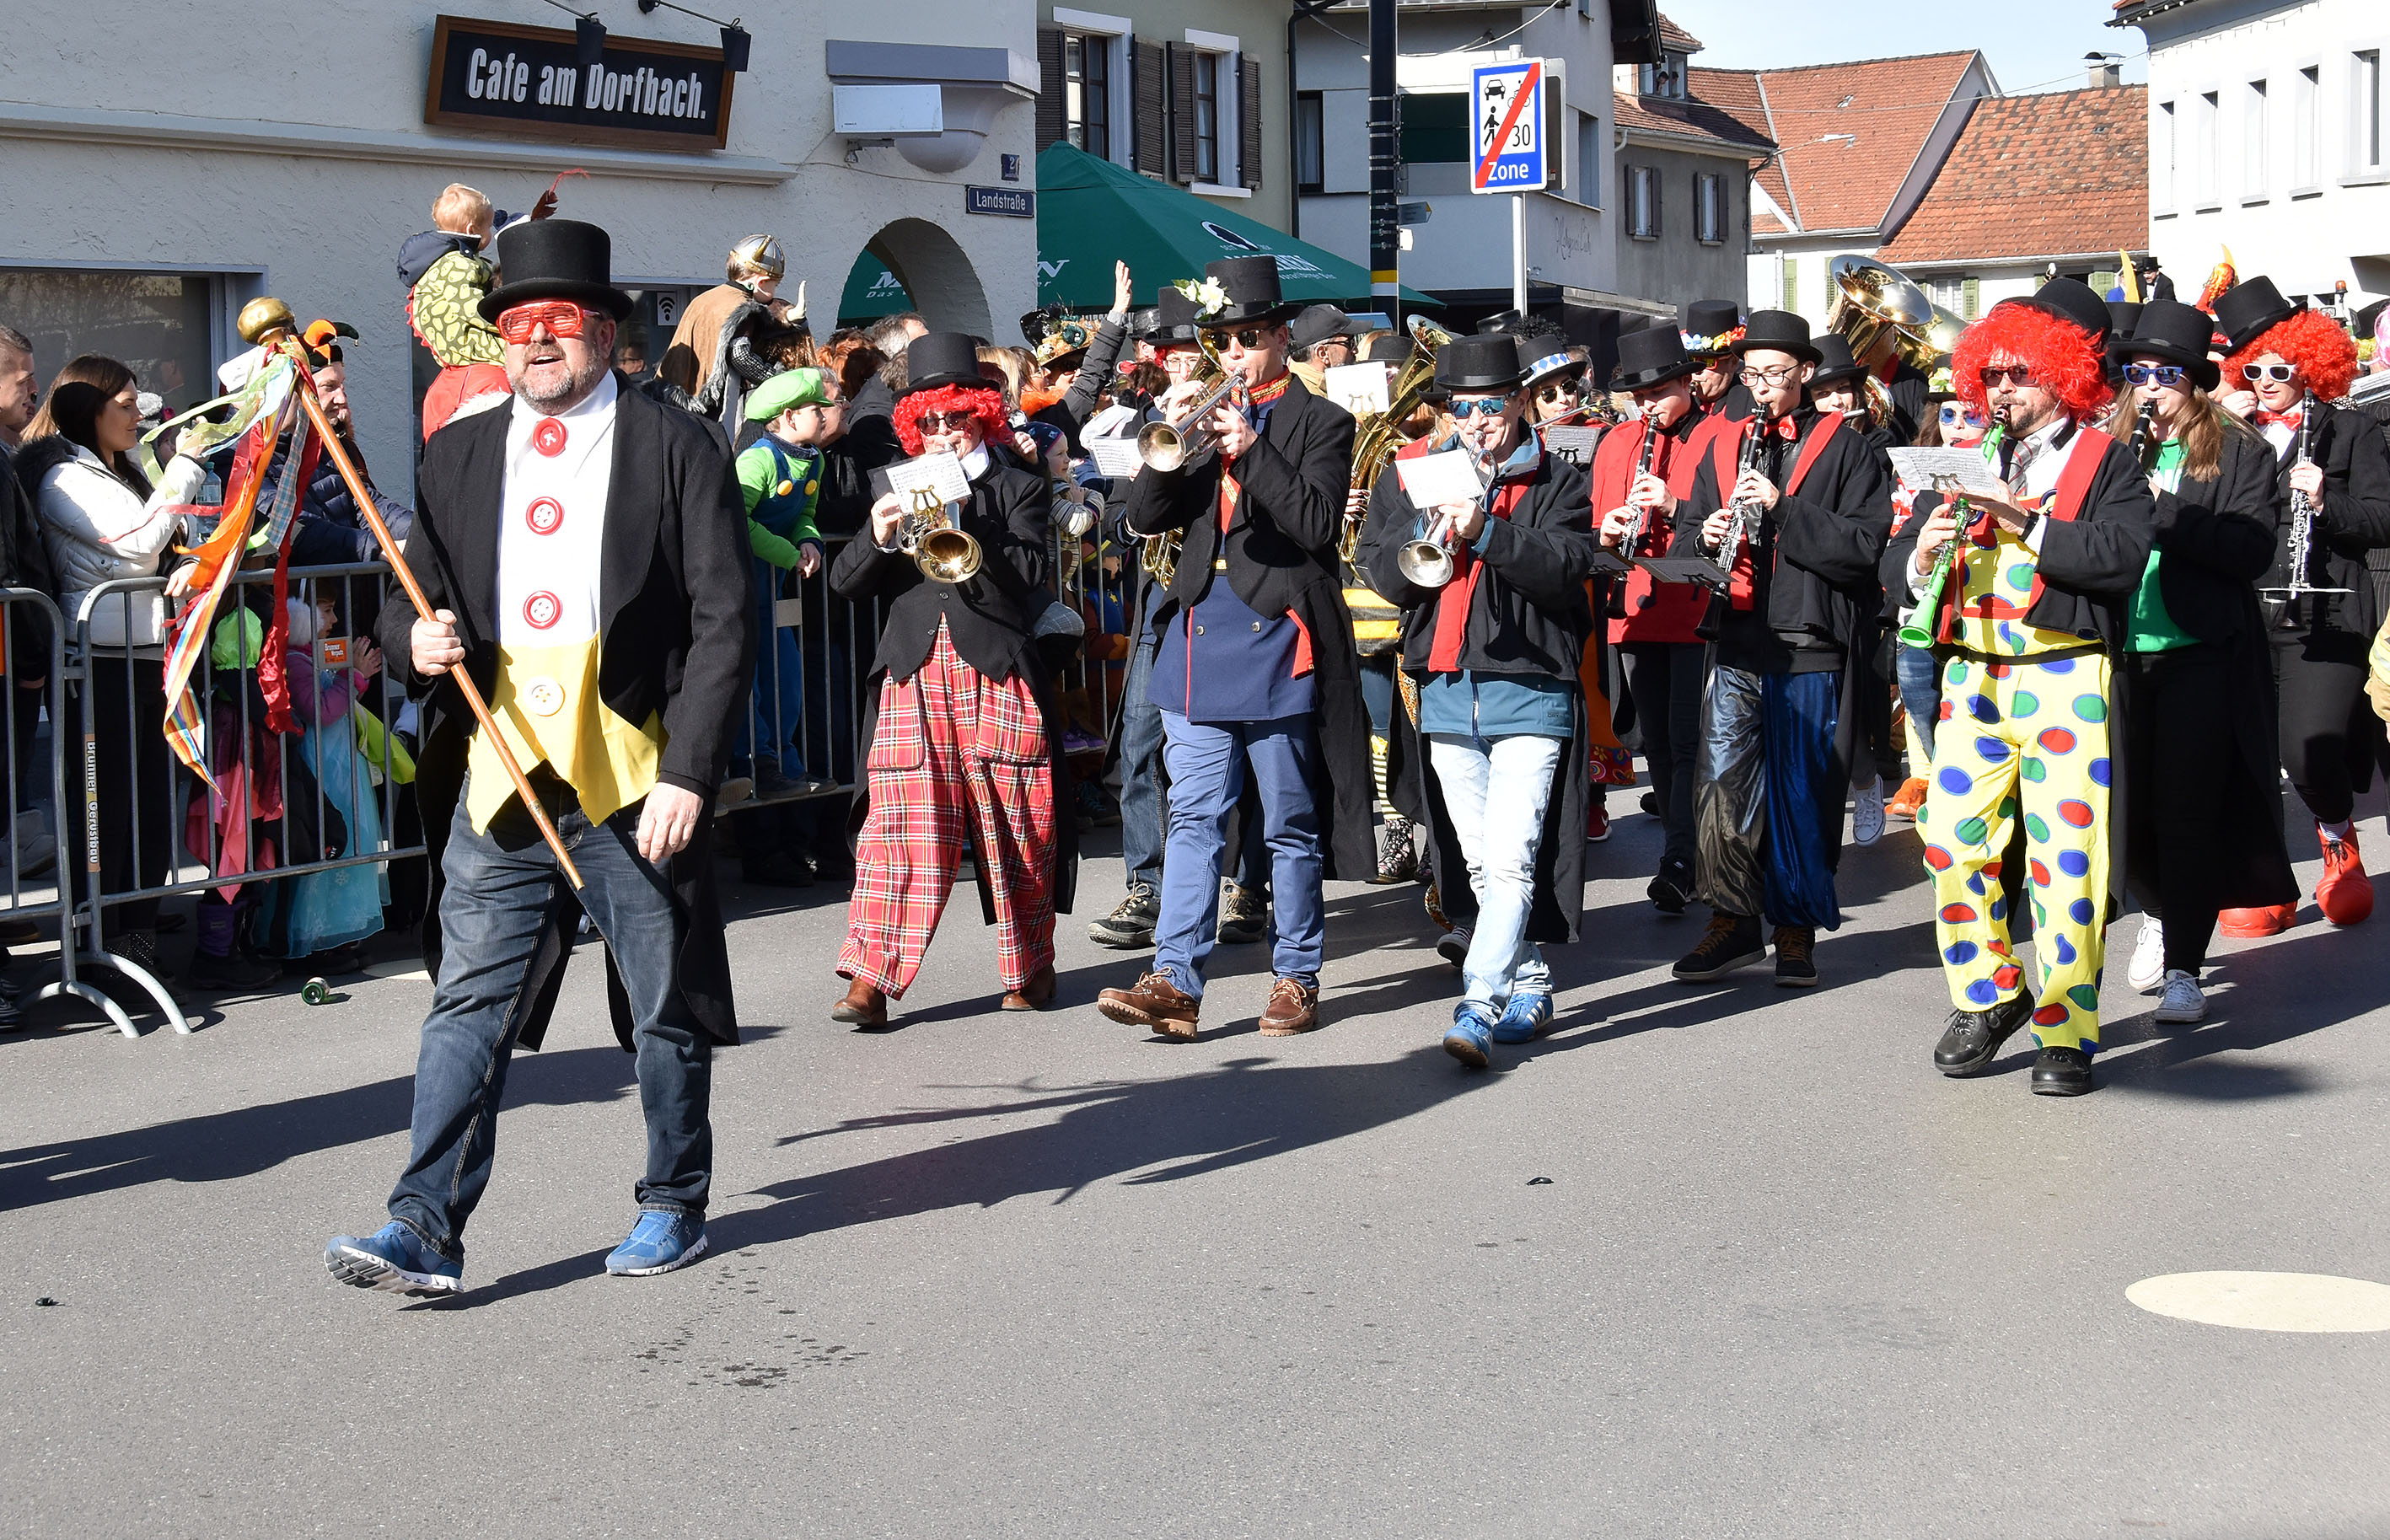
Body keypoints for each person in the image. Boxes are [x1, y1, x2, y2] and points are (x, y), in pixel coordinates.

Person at [325, 218, 754, 1294]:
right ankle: (423, 1225)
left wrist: (691, 772)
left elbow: (723, 620)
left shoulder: (677, 444)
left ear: (604, 330)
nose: (538, 341)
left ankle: (673, 1202)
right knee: (467, 1003)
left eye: (560, 320)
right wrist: (413, 643)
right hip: (503, 772)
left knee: (661, 1003)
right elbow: (408, 598)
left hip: (633, 770)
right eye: (518, 325)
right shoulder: (460, 452)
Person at [1094, 256, 1372, 1039]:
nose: (1235, 354)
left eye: (1249, 338)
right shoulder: (1198, 415)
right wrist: (1168, 441)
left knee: (1287, 821)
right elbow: (1144, 519)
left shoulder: (1322, 421)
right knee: (1191, 817)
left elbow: (1315, 525)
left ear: (1281, 337)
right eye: (1224, 341)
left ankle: (1296, 974)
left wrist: (1249, 449)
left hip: (1277, 634)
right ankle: (1174, 978)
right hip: (1198, 633)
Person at [1886, 285, 2153, 1097]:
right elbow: (1892, 564)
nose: (1999, 390)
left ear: (2061, 375)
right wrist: (1921, 554)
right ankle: (1989, 993)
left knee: (2065, 863)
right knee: (1948, 841)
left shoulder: (2105, 460)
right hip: (1972, 674)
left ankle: (2066, 1029)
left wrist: (2025, 522)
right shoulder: (1965, 456)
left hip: (2064, 674)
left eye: (2017, 374)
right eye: (1989, 375)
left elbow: (2121, 557)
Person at [1361, 333, 1598, 1065]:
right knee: (1473, 863)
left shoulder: (1559, 479)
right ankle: (1529, 978)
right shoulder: (1416, 474)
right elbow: (1380, 569)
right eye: (1461, 409)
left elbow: (1565, 566)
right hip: (1443, 688)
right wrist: (1424, 528)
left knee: (1510, 861)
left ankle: (1479, 1001)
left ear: (1520, 401)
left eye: (1490, 406)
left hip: (1529, 690)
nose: (1475, 422)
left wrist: (1486, 529)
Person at [830, 331, 1072, 1026]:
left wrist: (968, 519)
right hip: (912, 667)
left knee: (1019, 820)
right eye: (929, 421)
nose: (940, 433)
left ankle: (1030, 964)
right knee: (898, 827)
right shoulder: (891, 482)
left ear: (981, 416)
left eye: (955, 418)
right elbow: (846, 583)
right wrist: (878, 535)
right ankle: (870, 978)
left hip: (994, 665)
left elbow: (1030, 574)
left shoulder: (1018, 484)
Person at [1668, 310, 1891, 990]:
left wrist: (1782, 508)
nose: (1760, 386)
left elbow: (1864, 547)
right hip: (1737, 636)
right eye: (1752, 374)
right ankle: (1732, 920)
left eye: (1774, 373)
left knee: (1802, 792)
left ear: (1805, 374)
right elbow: (1683, 538)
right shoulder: (1720, 442)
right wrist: (1704, 537)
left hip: (1808, 641)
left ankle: (1794, 926)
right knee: (1720, 786)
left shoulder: (1847, 447)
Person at [2097, 298, 2300, 1024]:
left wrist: (2163, 507)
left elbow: (2249, 550)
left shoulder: (2239, 450)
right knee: (2125, 809)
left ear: (2192, 381)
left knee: (2186, 811)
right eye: (2138, 374)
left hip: (2199, 653)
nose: (2150, 388)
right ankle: (2157, 911)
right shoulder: (2108, 446)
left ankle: (2184, 963)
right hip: (2116, 652)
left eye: (2166, 375)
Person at [2210, 276, 2390, 933]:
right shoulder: (2227, 433)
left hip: (2326, 613)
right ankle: (2265, 881)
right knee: (2247, 755)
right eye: (2251, 369)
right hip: (2241, 610)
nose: (2264, 381)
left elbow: (2381, 517)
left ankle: (2338, 838)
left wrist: (2325, 501)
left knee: (2307, 747)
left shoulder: (2349, 430)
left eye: (2279, 369)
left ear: (2309, 366)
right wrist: (2217, 432)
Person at [16, 356, 202, 981]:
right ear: (89, 410)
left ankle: (136, 944)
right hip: (95, 663)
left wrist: (190, 562)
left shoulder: (122, 470)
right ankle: (96, 948)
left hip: (148, 655)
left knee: (152, 807)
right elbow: (139, 541)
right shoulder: (63, 478)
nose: (137, 417)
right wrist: (186, 466)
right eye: (124, 405)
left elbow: (163, 547)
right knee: (105, 813)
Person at [1595, 325, 1725, 913]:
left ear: (1687, 383)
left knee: (1689, 739)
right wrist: (1609, 530)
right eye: (1639, 397)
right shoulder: (1617, 441)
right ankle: (1681, 852)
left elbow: (1728, 520)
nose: (1648, 406)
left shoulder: (1718, 434)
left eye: (1659, 393)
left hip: (1696, 608)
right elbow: (1596, 519)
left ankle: (1683, 858)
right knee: (1657, 743)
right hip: (1636, 610)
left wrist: (1674, 506)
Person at [724, 367, 831, 824]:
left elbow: (806, 512)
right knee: (749, 680)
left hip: (776, 587)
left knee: (784, 676)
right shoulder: (757, 461)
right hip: (740, 587)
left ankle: (787, 763)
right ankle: (757, 764)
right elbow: (737, 521)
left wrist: (809, 540)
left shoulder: (815, 460)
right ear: (788, 417)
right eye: (815, 409)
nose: (825, 415)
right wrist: (788, 554)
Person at [398, 180, 556, 438]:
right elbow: (472, 308)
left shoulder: (439, 264)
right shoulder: (461, 265)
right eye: (487, 227)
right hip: (471, 351)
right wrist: (503, 325)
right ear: (472, 230)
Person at [662, 235, 801, 427]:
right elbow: (740, 355)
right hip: (707, 408)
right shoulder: (743, 306)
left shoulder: (704, 298)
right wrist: (778, 379)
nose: (775, 291)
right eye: (775, 285)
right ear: (761, 282)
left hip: (674, 401)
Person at [1681, 301, 1755, 421]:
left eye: (1707, 362)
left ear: (1733, 362)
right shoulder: (1679, 402)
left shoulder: (1750, 404)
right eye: (1691, 360)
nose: (1696, 371)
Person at [1287, 304, 1361, 395]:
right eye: (1350, 343)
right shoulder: (1304, 397)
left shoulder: (1331, 387)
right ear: (1323, 353)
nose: (1356, 351)